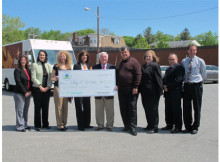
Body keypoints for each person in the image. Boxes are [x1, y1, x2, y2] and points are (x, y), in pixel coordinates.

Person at [182, 44, 207, 134]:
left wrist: (199, 83)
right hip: (187, 85)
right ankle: (188, 126)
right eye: (190, 50)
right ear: (187, 51)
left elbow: (204, 74)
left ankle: (195, 126)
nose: (192, 52)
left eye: (194, 50)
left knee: (197, 107)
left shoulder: (200, 61)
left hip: (196, 86)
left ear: (196, 51)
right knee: (186, 107)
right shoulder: (184, 61)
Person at [116, 47, 141, 136]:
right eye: (122, 52)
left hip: (131, 89)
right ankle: (126, 126)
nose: (124, 54)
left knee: (132, 109)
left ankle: (133, 127)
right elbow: (117, 74)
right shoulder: (120, 63)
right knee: (123, 108)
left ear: (129, 52)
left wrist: (136, 86)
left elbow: (138, 74)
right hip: (121, 89)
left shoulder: (134, 62)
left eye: (125, 52)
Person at [139, 50, 163, 134]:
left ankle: (154, 127)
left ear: (153, 57)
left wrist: (160, 91)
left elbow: (158, 79)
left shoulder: (155, 66)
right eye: (146, 56)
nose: (148, 58)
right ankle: (149, 124)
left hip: (153, 92)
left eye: (149, 56)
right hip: (144, 92)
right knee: (147, 109)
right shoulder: (144, 66)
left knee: (153, 110)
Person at [92, 52, 116, 131]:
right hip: (98, 93)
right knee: (99, 110)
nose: (104, 59)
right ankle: (100, 125)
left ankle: (109, 125)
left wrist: (116, 85)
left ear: (107, 58)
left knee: (110, 110)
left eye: (105, 57)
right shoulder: (95, 67)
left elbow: (116, 79)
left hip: (109, 92)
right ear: (99, 59)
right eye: (102, 57)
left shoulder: (112, 67)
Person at [162, 53, 185, 133]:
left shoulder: (180, 68)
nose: (171, 61)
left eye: (173, 59)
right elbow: (164, 79)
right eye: (170, 59)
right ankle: (169, 124)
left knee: (176, 110)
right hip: (167, 93)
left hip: (175, 92)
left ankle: (178, 127)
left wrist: (167, 86)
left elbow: (178, 80)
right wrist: (163, 85)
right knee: (168, 109)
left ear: (177, 59)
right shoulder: (168, 69)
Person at [51, 51, 73, 131]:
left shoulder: (69, 67)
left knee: (65, 106)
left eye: (64, 56)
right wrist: (55, 78)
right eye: (61, 56)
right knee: (59, 106)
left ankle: (64, 123)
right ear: (59, 57)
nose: (62, 57)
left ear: (66, 57)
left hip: (66, 88)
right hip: (58, 87)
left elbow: (71, 78)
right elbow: (51, 78)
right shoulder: (56, 66)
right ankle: (59, 124)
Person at [32, 50, 53, 131]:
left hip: (47, 89)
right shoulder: (35, 65)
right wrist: (40, 86)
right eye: (40, 55)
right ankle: (37, 125)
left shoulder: (48, 65)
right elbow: (33, 77)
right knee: (37, 107)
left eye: (43, 55)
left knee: (45, 107)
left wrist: (48, 86)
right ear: (38, 56)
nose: (42, 56)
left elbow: (51, 77)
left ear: (45, 56)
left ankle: (45, 124)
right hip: (37, 89)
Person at [73, 50, 93, 131]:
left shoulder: (89, 66)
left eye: (86, 55)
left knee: (87, 107)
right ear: (80, 57)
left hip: (87, 89)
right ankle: (80, 125)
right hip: (78, 90)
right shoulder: (76, 66)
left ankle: (87, 124)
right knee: (79, 107)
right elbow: (74, 78)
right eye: (83, 55)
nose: (84, 56)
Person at [14, 55, 32, 132]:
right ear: (19, 61)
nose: (23, 61)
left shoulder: (28, 70)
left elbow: (30, 82)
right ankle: (19, 126)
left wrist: (30, 91)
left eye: (24, 60)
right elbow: (18, 82)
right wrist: (25, 92)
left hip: (28, 93)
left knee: (26, 110)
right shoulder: (17, 70)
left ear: (26, 61)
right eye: (22, 60)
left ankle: (25, 124)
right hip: (19, 93)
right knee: (20, 110)